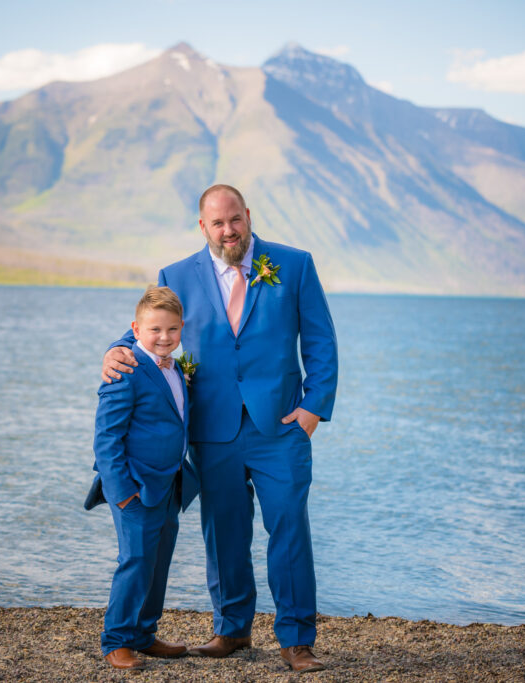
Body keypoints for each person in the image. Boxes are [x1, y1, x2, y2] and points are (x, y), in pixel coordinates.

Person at [102, 185, 338, 673]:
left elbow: (320, 340)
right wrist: (115, 349)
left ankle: (297, 639)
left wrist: (315, 408)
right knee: (224, 531)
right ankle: (232, 628)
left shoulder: (294, 265)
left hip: (281, 427)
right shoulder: (176, 275)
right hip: (213, 428)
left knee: (289, 527)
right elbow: (149, 328)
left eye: (235, 219)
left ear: (247, 216)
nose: (228, 230)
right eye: (217, 223)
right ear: (202, 227)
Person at [84, 285, 200, 670]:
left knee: (159, 560)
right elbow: (106, 438)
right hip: (134, 487)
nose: (164, 338)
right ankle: (116, 640)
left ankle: (144, 634)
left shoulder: (176, 368)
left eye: (171, 330)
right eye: (154, 331)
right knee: (135, 560)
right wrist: (121, 493)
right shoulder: (126, 368)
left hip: (169, 485)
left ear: (181, 328)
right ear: (135, 329)